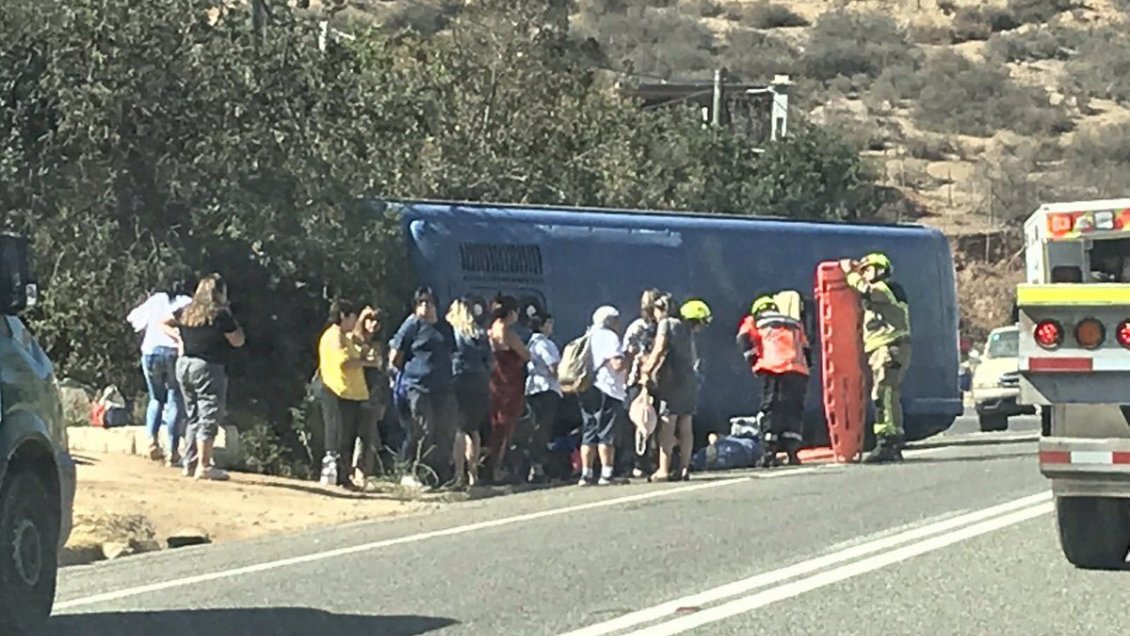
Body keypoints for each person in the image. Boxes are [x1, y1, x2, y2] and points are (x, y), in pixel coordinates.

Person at [170, 274, 245, 481]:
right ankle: (204, 465)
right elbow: (238, 340)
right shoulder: (219, 314)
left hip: (184, 364)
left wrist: (179, 339)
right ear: (219, 292)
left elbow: (165, 322)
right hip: (207, 366)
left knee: (192, 415)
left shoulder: (186, 311)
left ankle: (190, 463)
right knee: (209, 412)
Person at [841, 253, 912, 464]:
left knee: (883, 393)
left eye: (868, 269)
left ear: (880, 270)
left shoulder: (885, 287)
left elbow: (866, 290)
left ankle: (887, 442)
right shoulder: (883, 291)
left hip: (889, 347)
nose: (864, 274)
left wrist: (850, 273)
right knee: (889, 395)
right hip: (885, 348)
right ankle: (894, 440)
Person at [390, 287, 459, 489]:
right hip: (417, 386)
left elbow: (452, 353)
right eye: (420, 303)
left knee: (445, 430)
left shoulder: (445, 328)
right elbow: (395, 356)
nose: (424, 307)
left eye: (428, 302)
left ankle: (439, 475)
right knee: (422, 430)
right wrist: (409, 374)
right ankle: (411, 472)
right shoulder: (412, 324)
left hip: (443, 387)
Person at [737, 295, 811, 467]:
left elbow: (743, 338)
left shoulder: (756, 321)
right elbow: (806, 348)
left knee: (770, 410)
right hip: (798, 371)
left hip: (772, 368)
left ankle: (769, 454)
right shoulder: (793, 323)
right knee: (793, 411)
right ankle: (793, 453)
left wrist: (753, 359)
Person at [126, 273, 192, 466]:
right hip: (173, 352)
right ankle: (173, 451)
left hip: (151, 351)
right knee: (175, 398)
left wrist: (146, 330)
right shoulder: (187, 302)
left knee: (156, 398)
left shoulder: (156, 299)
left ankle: (151, 439)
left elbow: (133, 318)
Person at [641, 296, 709, 482]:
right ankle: (684, 468)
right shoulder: (686, 328)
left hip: (672, 381)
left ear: (661, 309)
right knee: (686, 424)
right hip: (689, 380)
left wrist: (647, 370)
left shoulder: (666, 324)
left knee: (667, 424)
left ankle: (663, 469)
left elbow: (659, 349)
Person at [317, 300, 373, 489]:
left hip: (351, 393)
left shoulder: (345, 336)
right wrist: (367, 363)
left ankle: (344, 476)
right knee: (339, 435)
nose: (355, 321)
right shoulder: (334, 336)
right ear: (343, 316)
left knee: (348, 437)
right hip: (337, 390)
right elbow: (345, 363)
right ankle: (335, 475)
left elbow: (358, 347)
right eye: (353, 317)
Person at [579, 305, 628, 486]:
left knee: (589, 430)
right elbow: (617, 365)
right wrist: (629, 357)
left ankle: (586, 473)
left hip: (587, 387)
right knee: (606, 432)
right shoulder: (610, 337)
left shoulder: (588, 335)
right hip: (607, 388)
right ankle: (606, 473)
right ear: (611, 321)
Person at [448, 297, 494, 488]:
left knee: (459, 428)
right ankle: (473, 473)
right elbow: (491, 361)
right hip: (481, 382)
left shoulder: (452, 333)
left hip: (459, 380)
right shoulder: (480, 333)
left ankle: (458, 474)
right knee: (473, 429)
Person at [487, 294, 530, 484]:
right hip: (509, 380)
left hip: (496, 378)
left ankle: (492, 465)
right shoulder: (507, 331)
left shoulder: (490, 330)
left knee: (496, 423)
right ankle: (497, 467)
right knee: (506, 425)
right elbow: (525, 354)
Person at [622, 289, 661, 478]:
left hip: (645, 380)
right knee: (641, 420)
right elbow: (628, 355)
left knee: (648, 421)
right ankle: (641, 461)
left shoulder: (658, 327)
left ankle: (647, 461)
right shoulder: (639, 328)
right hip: (641, 380)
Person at [523, 313, 562, 483]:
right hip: (546, 388)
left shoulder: (530, 343)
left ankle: (537, 465)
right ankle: (538, 466)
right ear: (544, 325)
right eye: (549, 323)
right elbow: (553, 367)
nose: (551, 327)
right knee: (543, 429)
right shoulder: (545, 344)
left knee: (536, 427)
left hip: (532, 388)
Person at [354, 307, 387, 482]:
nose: (374, 325)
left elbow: (382, 369)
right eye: (370, 320)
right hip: (353, 392)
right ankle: (351, 470)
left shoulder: (379, 345)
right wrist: (368, 361)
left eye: (377, 321)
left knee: (370, 434)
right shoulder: (354, 340)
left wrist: (383, 401)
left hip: (373, 394)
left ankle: (365, 472)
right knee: (353, 434)